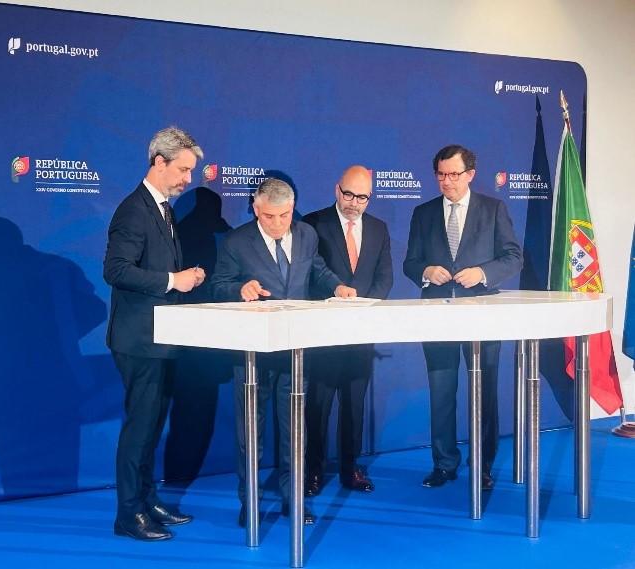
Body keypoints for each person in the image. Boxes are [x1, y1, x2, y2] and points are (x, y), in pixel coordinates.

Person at [211, 177, 356, 526]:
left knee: (294, 430)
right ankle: (250, 501)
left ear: (292, 209)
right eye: (269, 216)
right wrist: (239, 288)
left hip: (295, 350)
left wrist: (337, 286)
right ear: (255, 209)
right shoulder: (236, 242)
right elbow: (218, 285)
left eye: (284, 216)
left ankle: (294, 498)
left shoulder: (306, 235)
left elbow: (317, 269)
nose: (277, 224)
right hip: (252, 355)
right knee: (251, 432)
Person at [104, 126, 206, 541]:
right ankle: (129, 514)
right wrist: (172, 280)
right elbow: (116, 270)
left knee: (151, 427)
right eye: (183, 170)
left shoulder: (162, 208)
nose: (188, 179)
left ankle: (146, 500)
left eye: (191, 171)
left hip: (160, 338)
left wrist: (183, 278)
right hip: (139, 340)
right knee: (140, 429)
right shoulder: (134, 210)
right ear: (159, 163)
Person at [403, 144, 522, 490]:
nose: (447, 181)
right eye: (441, 175)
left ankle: (482, 464)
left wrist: (483, 273)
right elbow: (410, 262)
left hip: (482, 316)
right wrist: (426, 271)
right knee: (441, 393)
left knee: (483, 392)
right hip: (437, 316)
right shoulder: (423, 213)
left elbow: (513, 257)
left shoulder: (493, 209)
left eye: (454, 174)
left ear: (470, 174)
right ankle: (444, 464)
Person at [302, 165, 393, 496]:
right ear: (337, 190)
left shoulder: (379, 229)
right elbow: (309, 274)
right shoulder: (313, 224)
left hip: (361, 333)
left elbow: (384, 277)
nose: (355, 203)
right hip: (323, 333)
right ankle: (312, 470)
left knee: (355, 405)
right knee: (318, 405)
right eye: (350, 194)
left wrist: (364, 309)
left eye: (363, 197)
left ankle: (350, 468)